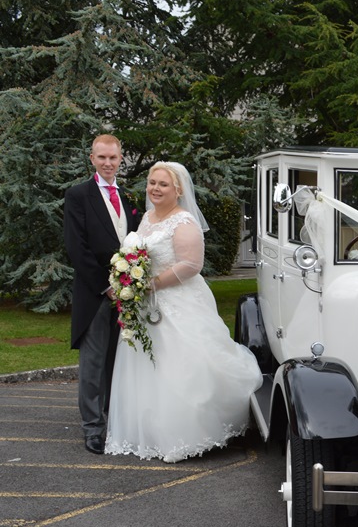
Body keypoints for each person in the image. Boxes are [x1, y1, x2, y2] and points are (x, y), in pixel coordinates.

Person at [104, 161, 262, 463]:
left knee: (184, 365)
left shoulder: (184, 221)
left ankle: (188, 432)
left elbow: (191, 266)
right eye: (152, 182)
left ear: (178, 190)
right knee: (150, 367)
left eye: (163, 184)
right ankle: (151, 432)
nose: (155, 188)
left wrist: (150, 285)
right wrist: (127, 280)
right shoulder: (148, 218)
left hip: (178, 301)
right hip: (147, 305)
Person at [64, 134, 141, 454]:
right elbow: (76, 248)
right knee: (93, 364)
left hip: (126, 295)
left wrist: (129, 286)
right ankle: (93, 428)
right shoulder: (78, 195)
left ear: (120, 159)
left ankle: (114, 420)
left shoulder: (129, 197)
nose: (108, 163)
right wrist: (106, 285)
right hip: (96, 294)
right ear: (92, 158)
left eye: (113, 158)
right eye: (102, 157)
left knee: (119, 360)